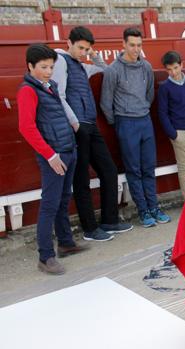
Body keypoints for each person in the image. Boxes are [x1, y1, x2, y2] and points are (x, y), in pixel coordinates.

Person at [52, 26, 133, 242]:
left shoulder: (82, 65)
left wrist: (94, 56)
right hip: (77, 126)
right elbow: (58, 94)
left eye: (87, 49)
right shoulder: (60, 61)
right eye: (80, 48)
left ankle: (109, 220)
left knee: (108, 170)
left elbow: (106, 70)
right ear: (68, 43)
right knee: (81, 179)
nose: (83, 52)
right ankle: (89, 229)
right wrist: (74, 123)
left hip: (90, 124)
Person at [17, 44, 90, 275]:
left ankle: (66, 243)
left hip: (68, 149)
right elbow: (26, 128)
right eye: (43, 67)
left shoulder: (50, 86)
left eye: (51, 66)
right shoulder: (27, 91)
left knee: (63, 198)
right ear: (30, 66)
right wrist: (50, 155)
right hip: (54, 156)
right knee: (50, 204)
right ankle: (45, 256)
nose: (48, 71)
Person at [101, 27, 171, 227]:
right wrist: (119, 123)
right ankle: (143, 211)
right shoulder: (113, 70)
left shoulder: (146, 67)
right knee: (134, 170)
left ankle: (154, 207)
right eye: (132, 45)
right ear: (123, 44)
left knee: (149, 167)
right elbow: (106, 102)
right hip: (125, 122)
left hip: (144, 120)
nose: (135, 49)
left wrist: (141, 111)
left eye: (139, 45)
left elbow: (149, 94)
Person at [157, 51, 185, 198]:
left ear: (182, 65)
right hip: (179, 133)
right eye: (169, 69)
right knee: (184, 168)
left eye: (176, 68)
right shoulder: (164, 87)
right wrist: (173, 134)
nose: (173, 72)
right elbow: (162, 113)